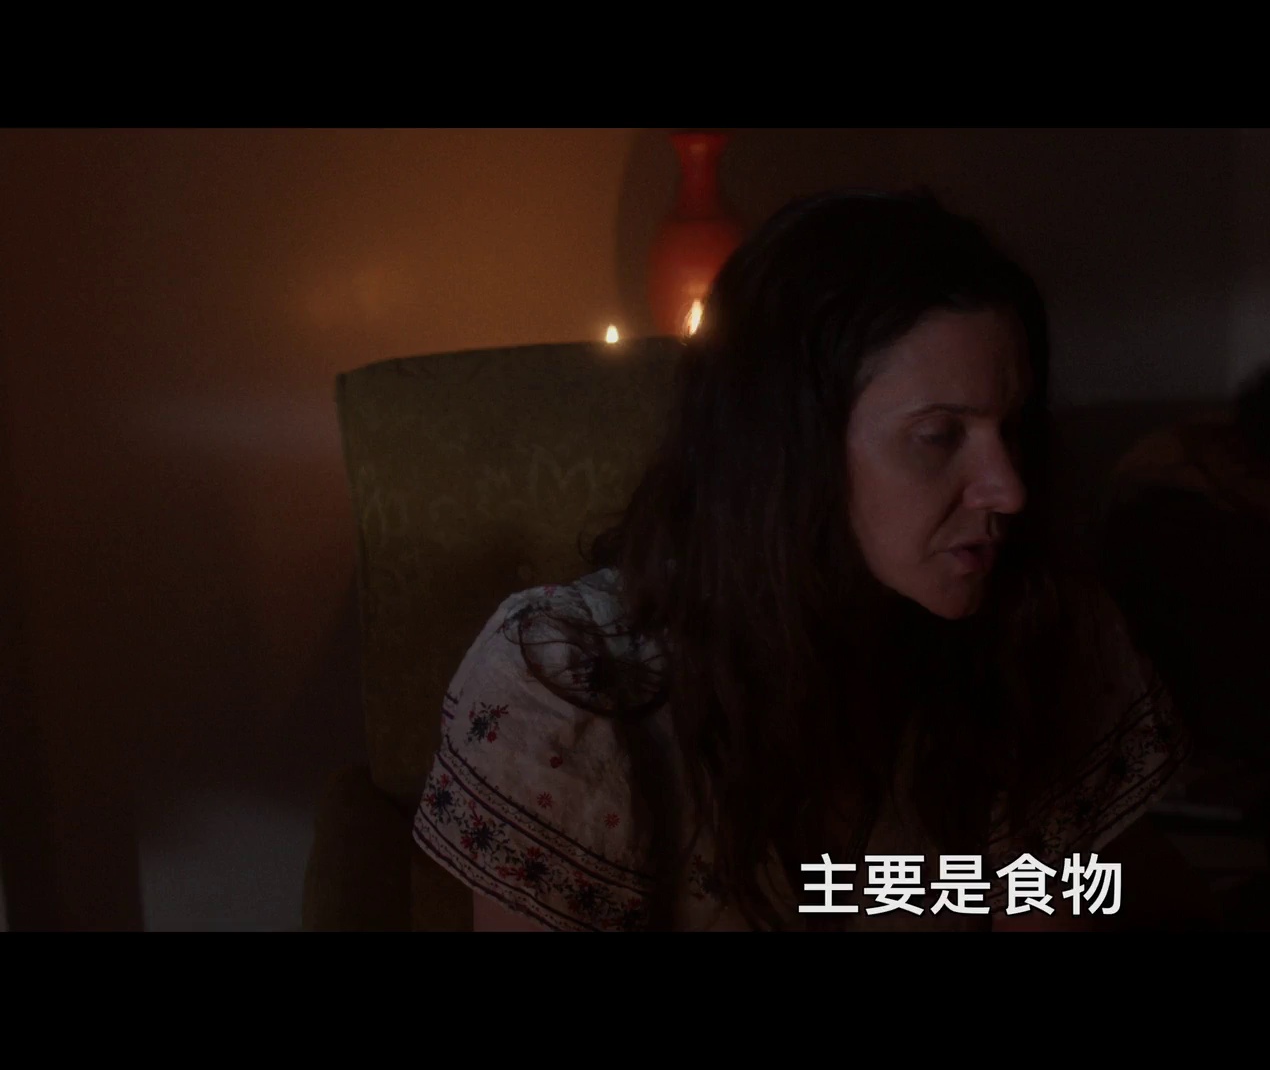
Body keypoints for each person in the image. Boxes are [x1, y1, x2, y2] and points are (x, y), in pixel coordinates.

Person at [411, 189, 1205, 931]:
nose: (1008, 489)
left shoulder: (1039, 629)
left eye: (1013, 427)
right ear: (789, 448)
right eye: (939, 436)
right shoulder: (574, 689)